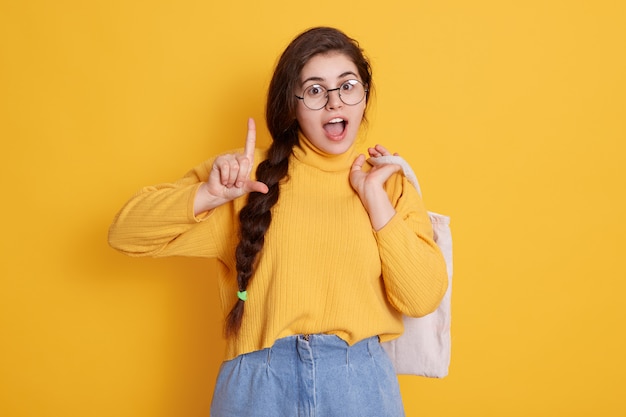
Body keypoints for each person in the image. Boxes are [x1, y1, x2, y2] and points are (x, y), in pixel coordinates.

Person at [108, 26, 448, 417]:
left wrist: (373, 200)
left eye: (348, 86)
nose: (335, 102)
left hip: (360, 387)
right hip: (258, 389)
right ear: (293, 104)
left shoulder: (388, 182)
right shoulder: (244, 176)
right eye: (316, 90)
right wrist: (210, 195)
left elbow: (421, 298)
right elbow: (125, 233)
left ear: (364, 94)